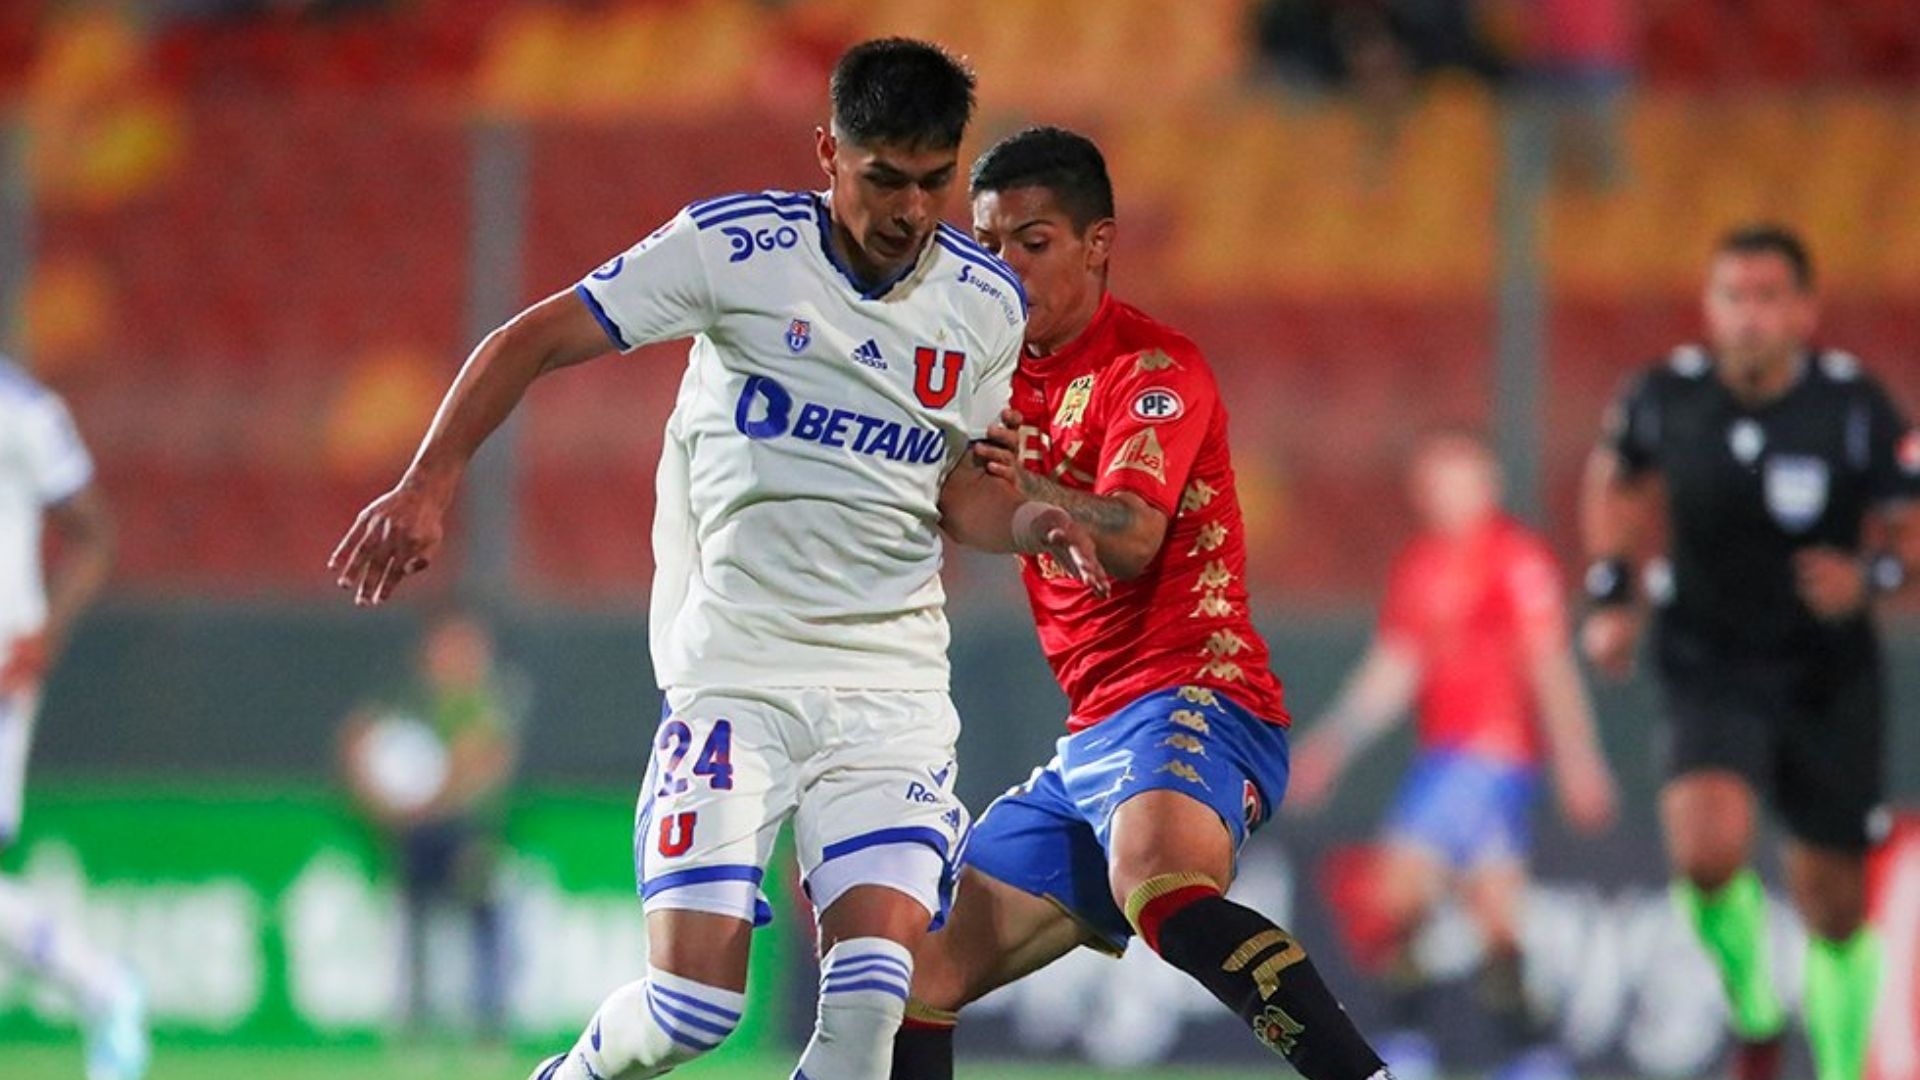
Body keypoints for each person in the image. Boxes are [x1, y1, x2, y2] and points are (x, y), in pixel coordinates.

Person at [328, 38, 1107, 1080]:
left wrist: (1024, 524)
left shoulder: (985, 305)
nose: (911, 211)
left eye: (935, 182)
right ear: (828, 152)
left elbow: (959, 485)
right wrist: (428, 484)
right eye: (883, 177)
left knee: (876, 992)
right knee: (693, 1008)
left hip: (891, 688)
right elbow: (532, 337)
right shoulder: (733, 251)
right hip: (736, 673)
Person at [888, 127, 1389, 1080]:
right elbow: (968, 505)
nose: (1003, 269)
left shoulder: (1154, 371)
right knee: (917, 970)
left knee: (1158, 881)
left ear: (1098, 242)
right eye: (985, 246)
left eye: (1030, 244)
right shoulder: (982, 380)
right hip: (1094, 738)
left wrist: (1038, 489)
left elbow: (1130, 537)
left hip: (1199, 691)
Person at [1580, 224, 1918, 1080]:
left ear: (1805, 311)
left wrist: (1869, 574)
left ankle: (1842, 1070)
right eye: (1735, 296)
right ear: (1711, 306)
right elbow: (1616, 481)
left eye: (1770, 297)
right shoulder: (1665, 396)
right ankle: (1756, 1013)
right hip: (1708, 658)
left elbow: (1910, 528)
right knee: (1706, 851)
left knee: (1835, 906)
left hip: (1826, 670)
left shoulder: (1854, 407)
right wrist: (1613, 592)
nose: (1751, 316)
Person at [1288, 432, 1617, 1080]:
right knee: (1497, 922)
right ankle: (1536, 1056)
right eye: (1432, 480)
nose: (1441, 492)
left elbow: (1549, 665)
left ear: (1487, 483)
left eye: (1455, 477)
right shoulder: (1422, 564)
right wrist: (1332, 745)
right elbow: (1396, 670)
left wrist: (1579, 758)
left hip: (1489, 758)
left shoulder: (1515, 559)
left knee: (1393, 890)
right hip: (1443, 757)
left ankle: (1410, 1047)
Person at [0, 353, 148, 1080]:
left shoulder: (20, 409)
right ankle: (102, 985)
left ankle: (103, 986)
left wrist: (42, 638)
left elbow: (92, 530)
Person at [339, 609, 519, 1038]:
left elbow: (489, 762)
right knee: (415, 919)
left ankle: (487, 1020)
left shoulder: (483, 702)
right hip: (414, 831)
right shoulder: (406, 699)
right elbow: (357, 740)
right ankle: (415, 1018)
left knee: (482, 916)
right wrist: (382, 799)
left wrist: (438, 797)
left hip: (465, 830)